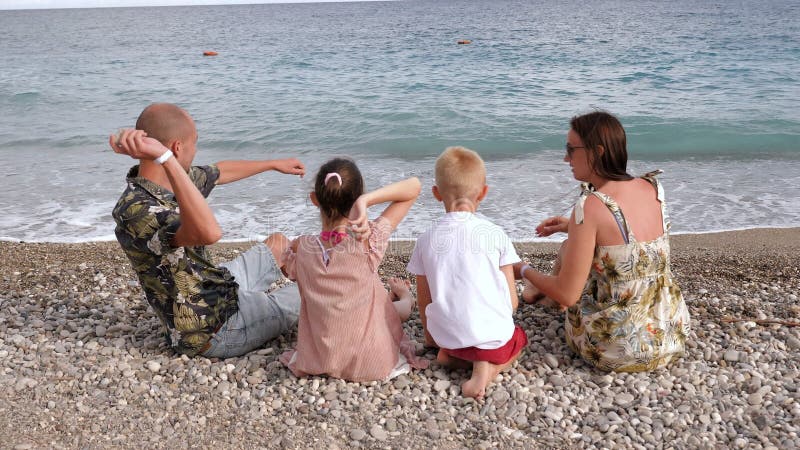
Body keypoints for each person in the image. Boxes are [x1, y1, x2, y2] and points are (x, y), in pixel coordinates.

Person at [111, 103, 306, 358]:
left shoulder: (170, 178)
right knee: (316, 289)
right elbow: (209, 232)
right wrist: (168, 160)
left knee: (281, 244)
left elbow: (218, 171)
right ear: (176, 148)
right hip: (215, 328)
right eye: (195, 143)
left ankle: (270, 301)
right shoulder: (137, 210)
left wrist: (273, 164)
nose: (196, 149)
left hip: (217, 286)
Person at [515, 110, 691, 372]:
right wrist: (571, 227)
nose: (566, 158)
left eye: (571, 149)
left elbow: (569, 293)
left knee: (566, 271)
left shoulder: (591, 206)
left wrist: (521, 269)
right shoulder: (652, 187)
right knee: (575, 247)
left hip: (614, 348)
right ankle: (543, 295)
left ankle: (536, 289)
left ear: (596, 151)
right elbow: (633, 245)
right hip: (670, 333)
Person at [279, 157, 429, 381]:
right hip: (371, 362)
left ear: (314, 200)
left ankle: (393, 298)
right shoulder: (369, 240)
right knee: (390, 308)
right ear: (357, 200)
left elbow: (286, 269)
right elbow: (414, 186)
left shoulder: (301, 248)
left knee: (368, 293)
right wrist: (366, 201)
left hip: (320, 358)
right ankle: (406, 297)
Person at [407, 147, 527, 399]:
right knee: (520, 340)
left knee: (450, 351)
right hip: (494, 339)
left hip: (448, 340)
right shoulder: (495, 233)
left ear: (436, 194)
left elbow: (424, 300)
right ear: (483, 192)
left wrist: (432, 339)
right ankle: (485, 371)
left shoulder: (425, 239)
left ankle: (453, 357)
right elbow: (512, 302)